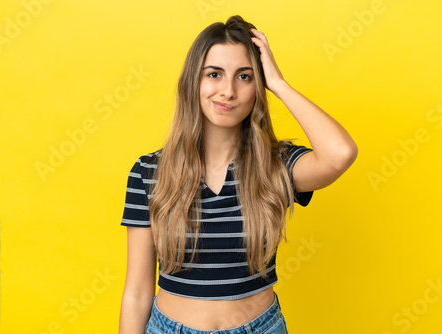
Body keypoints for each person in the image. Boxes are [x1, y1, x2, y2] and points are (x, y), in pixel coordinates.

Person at [119, 15, 357, 334]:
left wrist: (279, 84)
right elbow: (136, 292)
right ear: (194, 81)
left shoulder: (276, 165)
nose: (228, 91)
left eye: (244, 76)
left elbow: (340, 154)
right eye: (214, 74)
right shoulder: (149, 173)